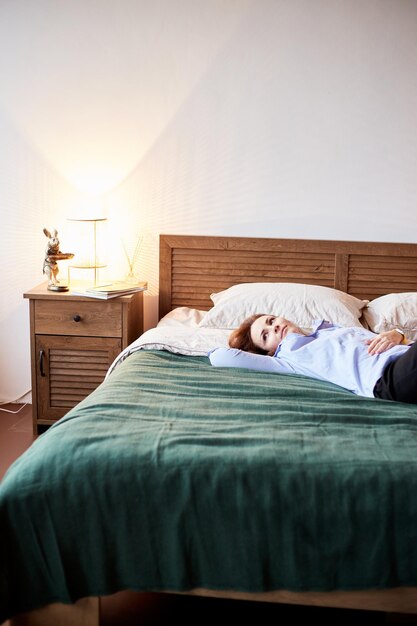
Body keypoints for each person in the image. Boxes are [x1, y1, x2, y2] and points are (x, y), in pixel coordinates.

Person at [209, 314, 417, 404]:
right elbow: (220, 357)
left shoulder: (330, 330)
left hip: (406, 355)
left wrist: (398, 333)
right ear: (268, 352)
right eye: (266, 335)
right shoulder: (287, 358)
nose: (274, 327)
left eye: (272, 320)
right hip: (387, 377)